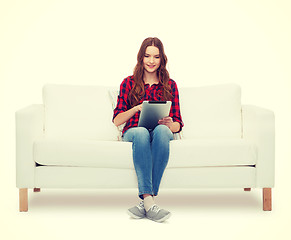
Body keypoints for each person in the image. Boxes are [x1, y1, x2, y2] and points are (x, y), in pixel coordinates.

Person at [112, 37, 183, 223]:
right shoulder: (128, 83)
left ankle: (146, 201)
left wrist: (169, 124)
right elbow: (117, 120)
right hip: (135, 133)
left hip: (161, 132)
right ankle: (150, 201)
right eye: (147, 56)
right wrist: (136, 108)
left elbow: (178, 124)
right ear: (141, 57)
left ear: (162, 59)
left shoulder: (170, 85)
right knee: (142, 132)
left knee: (160, 131)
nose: (151, 61)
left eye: (156, 56)